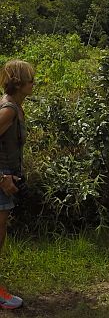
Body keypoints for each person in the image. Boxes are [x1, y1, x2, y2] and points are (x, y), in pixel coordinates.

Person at [0, 60, 34, 310]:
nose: (35, 83)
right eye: (31, 79)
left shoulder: (16, 108)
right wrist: (2, 176)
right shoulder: (8, 109)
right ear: (19, 83)